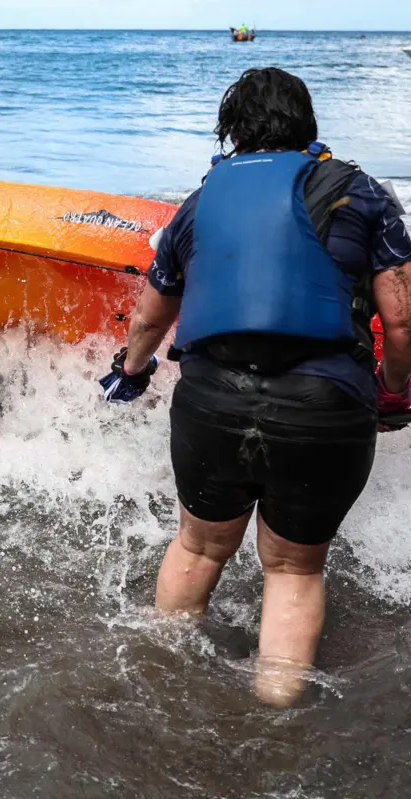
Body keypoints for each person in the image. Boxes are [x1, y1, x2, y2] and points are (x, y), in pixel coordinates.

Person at [97, 67, 411, 706]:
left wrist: (130, 372)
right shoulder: (366, 195)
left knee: (200, 544)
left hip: (212, 404)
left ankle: (161, 685)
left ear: (233, 130)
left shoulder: (201, 201)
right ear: (307, 123)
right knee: (294, 568)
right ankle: (274, 720)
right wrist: (395, 391)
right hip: (322, 410)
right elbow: (401, 321)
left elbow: (151, 317)